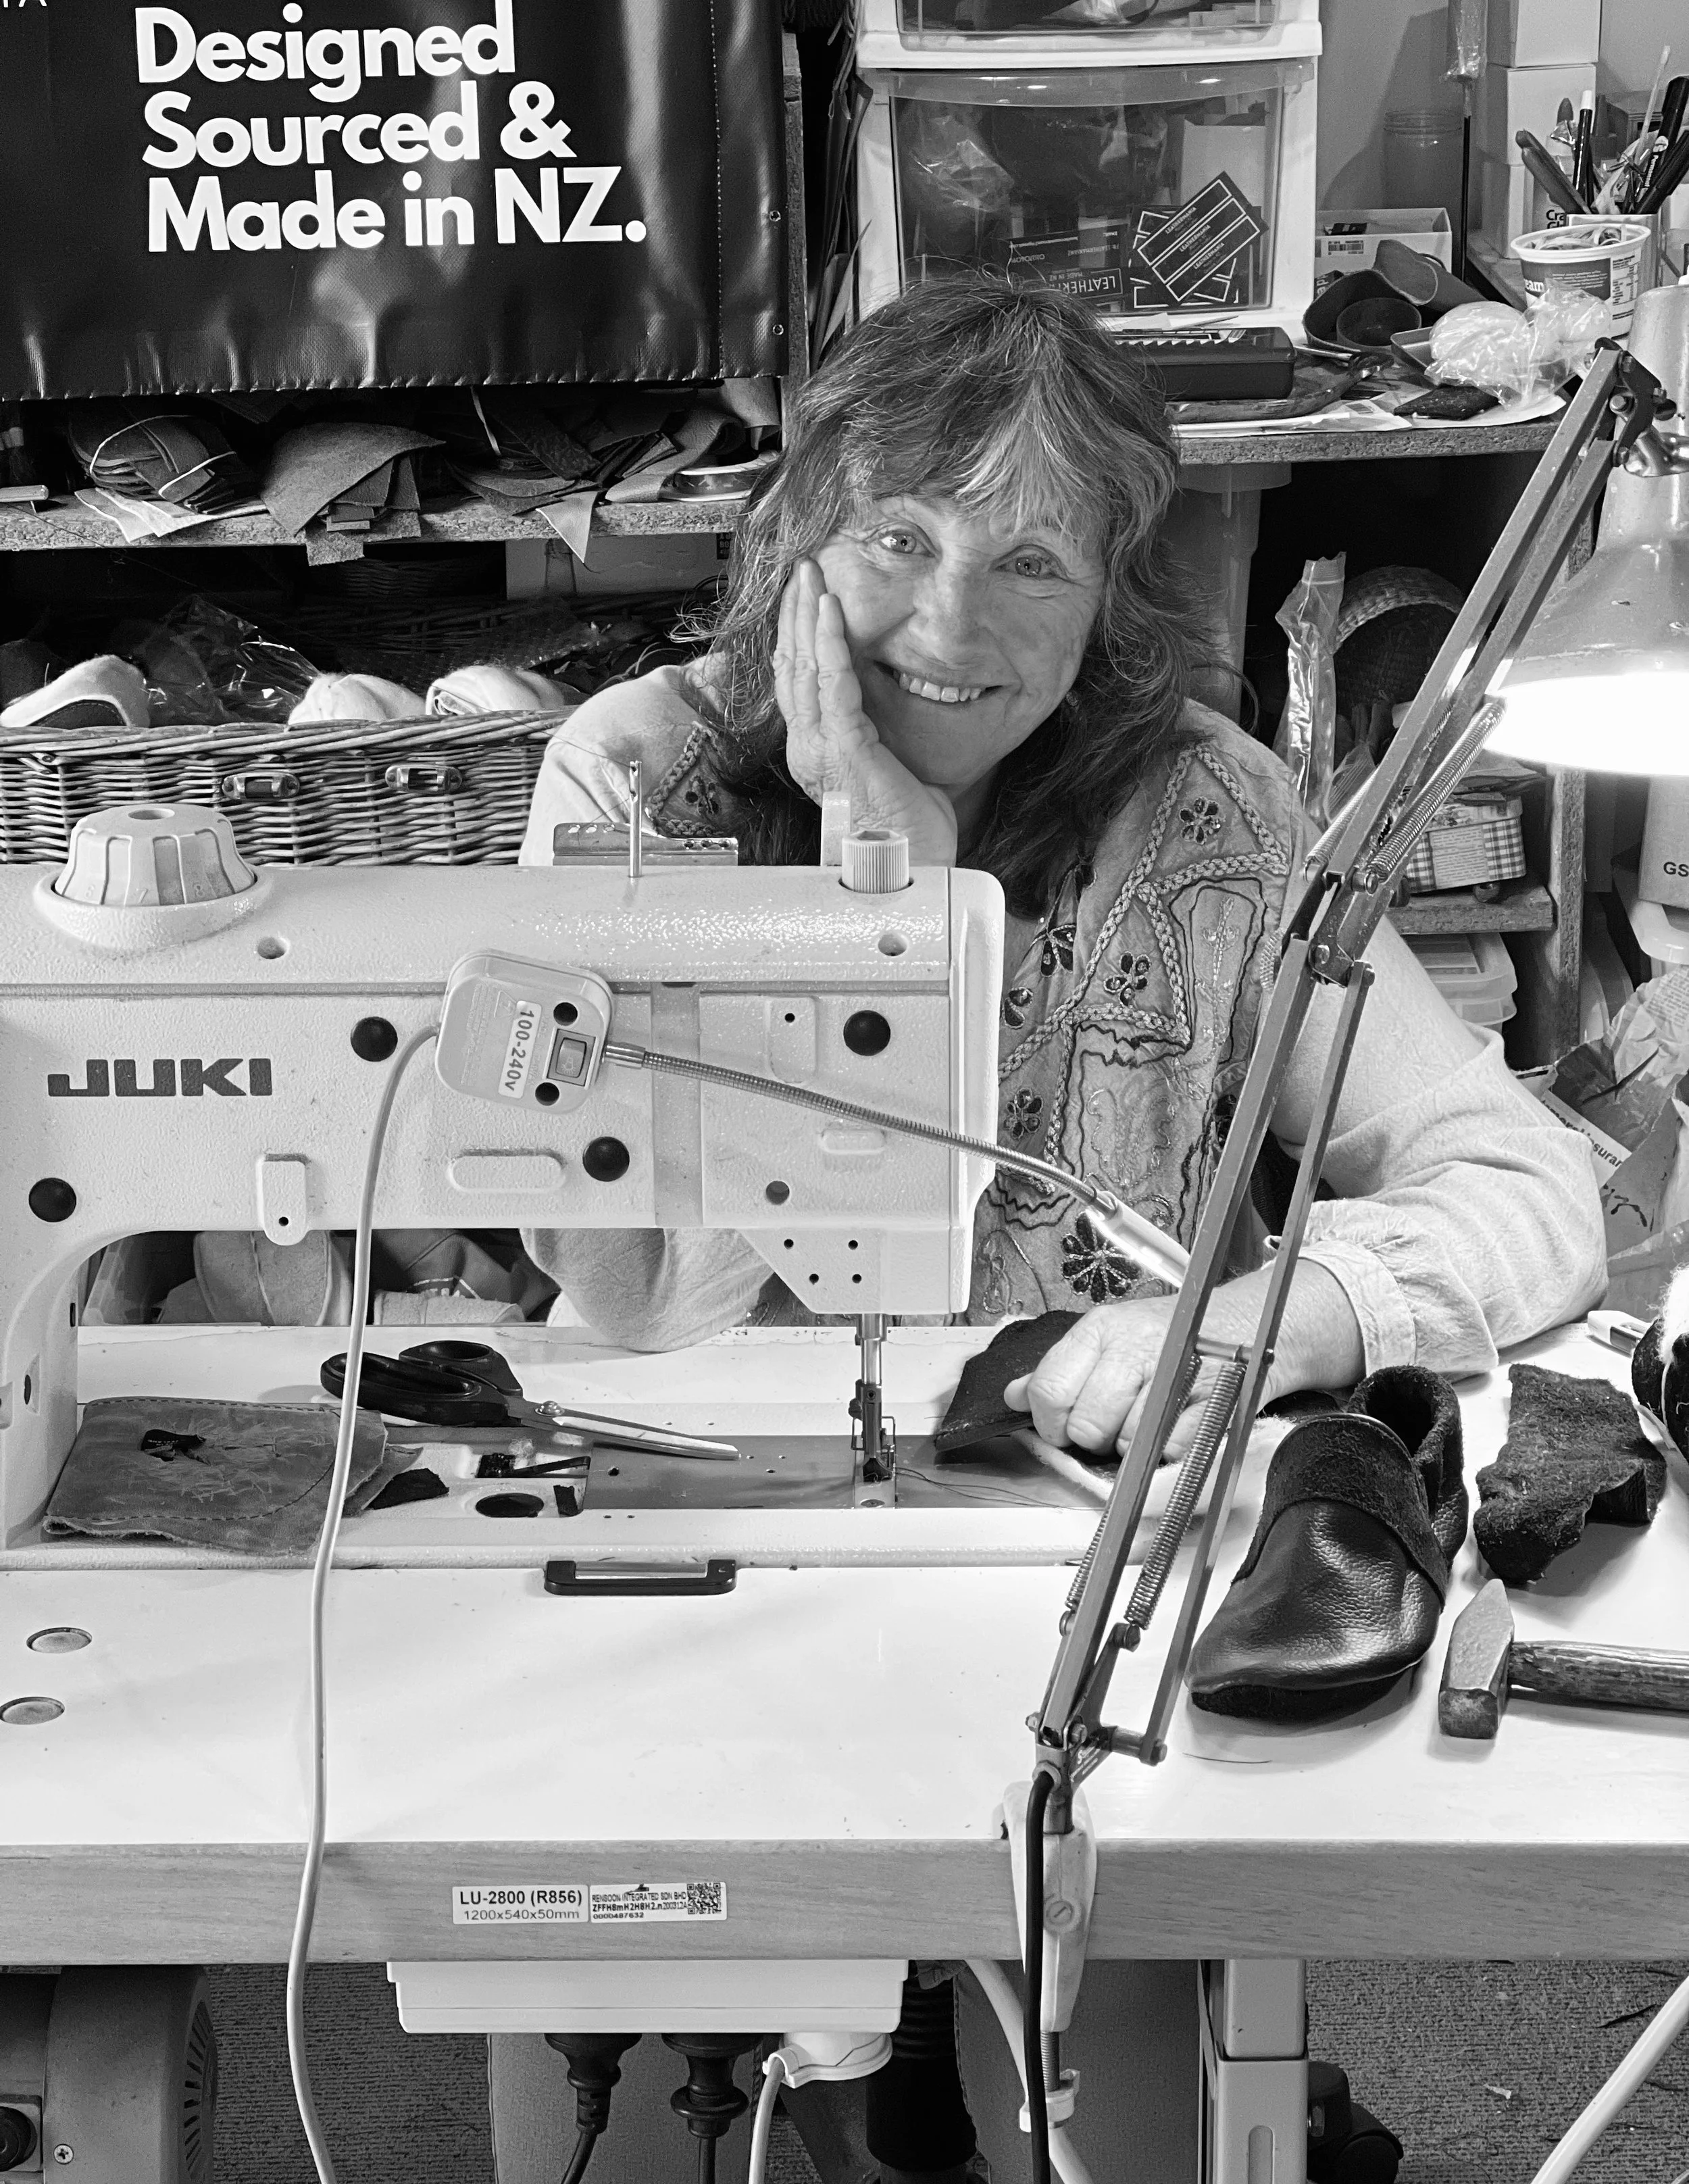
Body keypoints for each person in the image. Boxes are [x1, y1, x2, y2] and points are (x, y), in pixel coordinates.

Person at [517, 276, 1607, 1452]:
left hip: (1091, 1508)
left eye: (1032, 562)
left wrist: (1272, 1324)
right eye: (899, 536)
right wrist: (880, 903)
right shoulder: (632, 782)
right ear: (799, 544)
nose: (949, 627)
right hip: (711, 1473)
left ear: (1107, 598)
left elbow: (1528, 1190)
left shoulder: (1215, 811)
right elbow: (633, 1290)